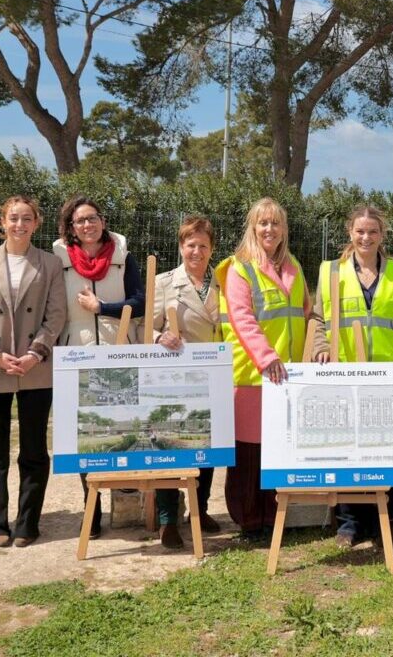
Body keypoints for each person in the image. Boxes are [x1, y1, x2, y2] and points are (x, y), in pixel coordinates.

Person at [310, 205, 393, 547]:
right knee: (347, 449)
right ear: (350, 233)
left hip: (387, 373)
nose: (366, 237)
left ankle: (381, 519)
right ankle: (348, 523)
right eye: (360, 231)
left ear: (382, 235)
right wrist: (320, 347)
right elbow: (318, 318)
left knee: (383, 448)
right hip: (345, 371)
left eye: (372, 231)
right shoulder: (331, 271)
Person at [0, 195, 66, 547]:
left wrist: (36, 352)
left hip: (35, 367)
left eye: (26, 219)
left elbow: (56, 315)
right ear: (2, 222)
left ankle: (27, 523)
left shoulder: (50, 264)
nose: (19, 225)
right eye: (13, 218)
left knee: (34, 448)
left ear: (37, 223)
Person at [216, 198, 311, 541]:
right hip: (253, 373)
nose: (270, 229)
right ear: (252, 228)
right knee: (248, 451)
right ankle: (248, 520)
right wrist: (266, 356)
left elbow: (304, 310)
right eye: (263, 223)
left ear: (284, 229)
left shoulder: (294, 266)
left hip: (287, 376)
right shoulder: (240, 267)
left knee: (276, 449)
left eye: (276, 223)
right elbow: (241, 317)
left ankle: (274, 516)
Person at [53, 196, 146, 539]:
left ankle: (126, 499)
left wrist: (102, 306)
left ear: (103, 221)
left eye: (92, 218)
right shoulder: (59, 258)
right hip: (76, 353)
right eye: (80, 221)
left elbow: (140, 302)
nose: (87, 225)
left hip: (118, 351)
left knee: (122, 429)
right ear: (71, 228)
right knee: (85, 435)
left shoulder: (123, 256)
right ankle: (90, 508)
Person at [146, 216, 224, 547]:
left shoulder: (221, 284)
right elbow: (143, 329)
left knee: (205, 448)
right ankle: (167, 519)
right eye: (190, 244)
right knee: (169, 448)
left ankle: (199, 509)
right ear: (181, 246)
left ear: (211, 249)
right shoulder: (164, 283)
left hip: (211, 378)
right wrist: (159, 337)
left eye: (203, 245)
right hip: (172, 378)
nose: (196, 251)